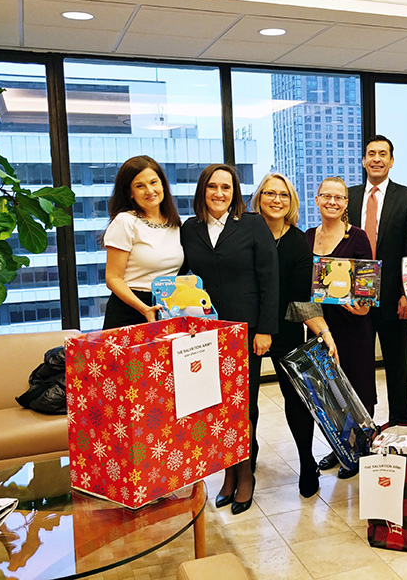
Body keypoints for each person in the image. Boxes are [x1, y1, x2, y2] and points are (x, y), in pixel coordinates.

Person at [180, 164, 278, 514]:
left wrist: (265, 328)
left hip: (247, 331)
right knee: (218, 407)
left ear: (235, 191)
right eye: (212, 187)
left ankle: (245, 475)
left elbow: (270, 279)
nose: (219, 193)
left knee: (244, 405)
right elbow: (182, 280)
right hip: (207, 335)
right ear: (202, 191)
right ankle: (228, 473)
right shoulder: (189, 229)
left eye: (226, 187)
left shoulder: (252, 224)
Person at [250, 172, 337, 498]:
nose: (276, 200)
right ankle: (249, 455)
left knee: (297, 399)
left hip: (286, 326)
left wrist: (324, 332)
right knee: (248, 403)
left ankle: (306, 462)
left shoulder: (299, 241)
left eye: (283, 195)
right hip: (249, 329)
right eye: (270, 193)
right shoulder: (246, 235)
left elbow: (304, 297)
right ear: (259, 199)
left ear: (292, 202)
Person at [347, 135, 407, 425]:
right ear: (364, 160)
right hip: (354, 302)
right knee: (356, 370)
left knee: (396, 369)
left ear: (391, 161)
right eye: (371, 153)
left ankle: (399, 427)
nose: (376, 158)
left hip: (394, 300)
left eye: (383, 153)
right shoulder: (349, 196)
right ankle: (358, 431)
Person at [306, 176, 376, 479]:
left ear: (347, 203)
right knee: (328, 391)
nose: (332, 202)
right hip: (319, 326)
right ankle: (339, 447)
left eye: (340, 197)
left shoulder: (357, 237)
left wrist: (362, 306)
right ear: (318, 199)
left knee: (357, 388)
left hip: (353, 325)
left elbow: (368, 287)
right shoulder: (307, 237)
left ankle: (359, 450)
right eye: (327, 196)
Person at [102, 155, 183, 329]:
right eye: (140, 186)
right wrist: (144, 308)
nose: (149, 190)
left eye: (154, 182)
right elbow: (112, 278)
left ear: (162, 185)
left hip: (166, 308)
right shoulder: (125, 221)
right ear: (130, 192)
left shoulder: (176, 223)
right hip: (130, 310)